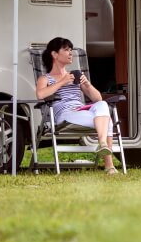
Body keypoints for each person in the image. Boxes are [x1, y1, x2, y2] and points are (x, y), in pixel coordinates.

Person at [35, 37, 118, 174]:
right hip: (66, 115)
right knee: (107, 121)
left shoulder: (75, 76)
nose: (70, 53)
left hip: (83, 111)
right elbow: (40, 95)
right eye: (66, 50)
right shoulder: (45, 78)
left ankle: (102, 143)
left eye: (71, 50)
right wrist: (62, 81)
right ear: (54, 54)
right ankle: (109, 166)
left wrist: (87, 84)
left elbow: (97, 98)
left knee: (102, 105)